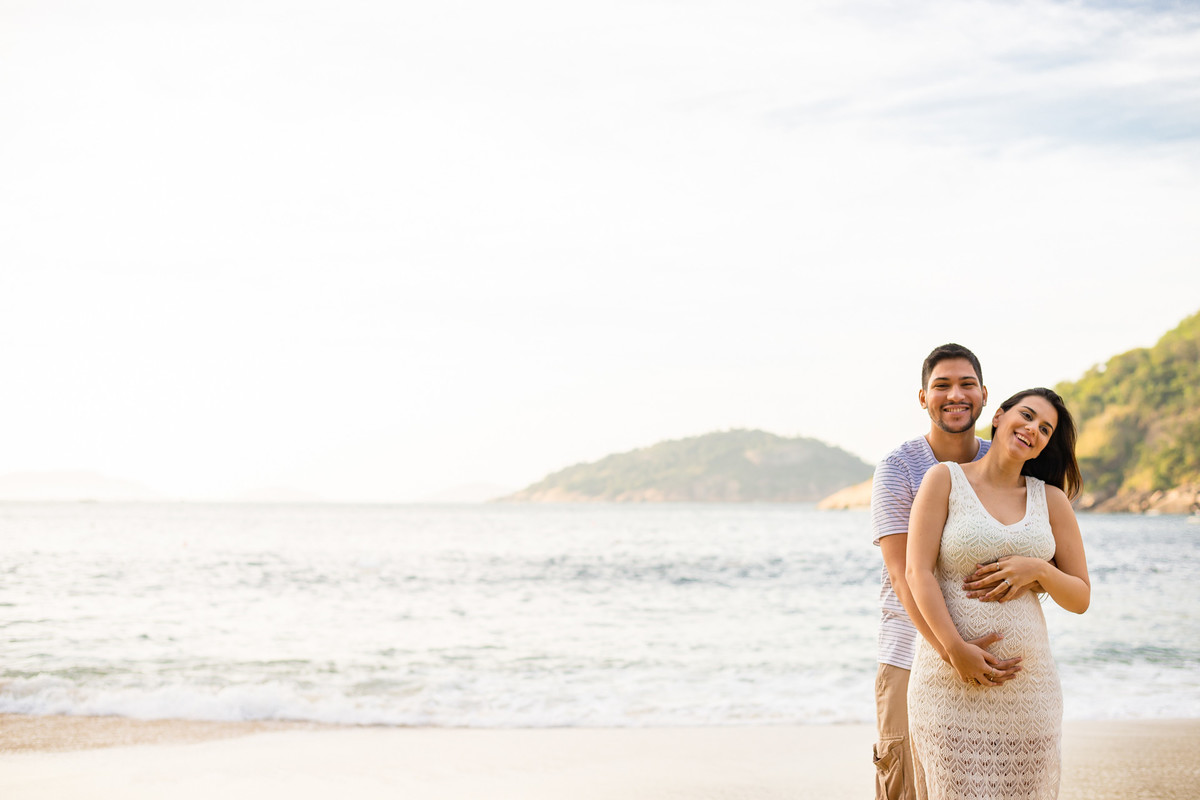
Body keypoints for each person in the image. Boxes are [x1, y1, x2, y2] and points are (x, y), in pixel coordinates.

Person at [905, 387, 1090, 799]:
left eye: (1045, 429)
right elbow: (917, 572)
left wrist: (1038, 569)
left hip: (1028, 692)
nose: (1032, 430)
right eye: (1026, 416)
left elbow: (1079, 597)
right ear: (1000, 416)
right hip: (948, 686)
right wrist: (955, 650)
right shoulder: (945, 479)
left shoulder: (1052, 500)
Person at [871, 344, 1022, 800]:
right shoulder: (899, 468)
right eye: (941, 386)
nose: (955, 395)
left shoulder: (1007, 461)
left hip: (997, 660)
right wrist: (951, 651)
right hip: (911, 657)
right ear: (923, 398)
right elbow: (903, 576)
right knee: (909, 787)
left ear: (984, 396)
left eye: (966, 384)